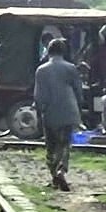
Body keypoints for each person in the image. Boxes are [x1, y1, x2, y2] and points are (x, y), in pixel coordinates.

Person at [33, 38, 83, 191]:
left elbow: (38, 95)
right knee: (64, 144)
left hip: (50, 112)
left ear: (48, 51)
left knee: (51, 145)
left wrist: (39, 111)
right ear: (63, 51)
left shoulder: (41, 70)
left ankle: (54, 175)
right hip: (68, 110)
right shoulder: (71, 68)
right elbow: (78, 91)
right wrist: (79, 108)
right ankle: (61, 170)